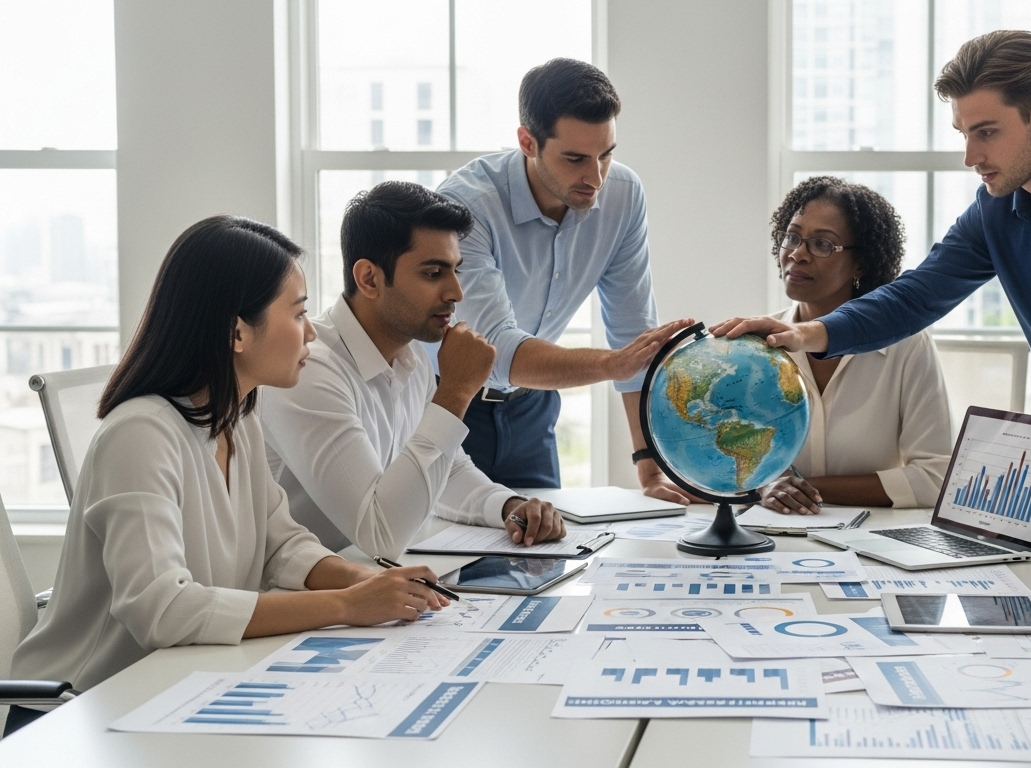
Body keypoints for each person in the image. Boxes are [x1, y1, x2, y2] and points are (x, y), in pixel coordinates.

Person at [5, 217, 450, 736]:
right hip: (79, 715)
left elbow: (280, 545)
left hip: (173, 690)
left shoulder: (238, 419)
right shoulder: (141, 434)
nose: (310, 332)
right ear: (237, 331)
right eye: (299, 312)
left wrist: (368, 580)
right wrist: (347, 605)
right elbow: (163, 609)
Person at [712, 30, 1031, 481]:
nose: (970, 156)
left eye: (986, 132)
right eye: (963, 133)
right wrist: (805, 333)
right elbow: (916, 297)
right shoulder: (994, 212)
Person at [259, 182, 565, 557]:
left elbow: (447, 471)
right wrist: (456, 391)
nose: (456, 292)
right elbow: (380, 534)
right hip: (293, 596)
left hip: (360, 584)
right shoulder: (310, 369)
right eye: (433, 273)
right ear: (369, 278)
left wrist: (508, 506)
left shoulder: (412, 353)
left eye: (456, 270)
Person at [435, 58, 693, 499]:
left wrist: (650, 469)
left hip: (533, 409)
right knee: (443, 561)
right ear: (527, 142)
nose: (595, 178)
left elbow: (632, 331)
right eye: (574, 158)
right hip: (447, 406)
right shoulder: (465, 206)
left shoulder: (623, 196)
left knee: (544, 558)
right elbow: (496, 351)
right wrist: (612, 363)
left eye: (606, 155)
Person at [756, 176, 951, 514]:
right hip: (770, 537)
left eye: (822, 244)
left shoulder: (907, 344)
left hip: (871, 543)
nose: (798, 254)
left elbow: (936, 478)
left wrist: (798, 489)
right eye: (792, 237)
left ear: (861, 263)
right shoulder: (755, 348)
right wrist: (763, 485)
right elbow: (726, 465)